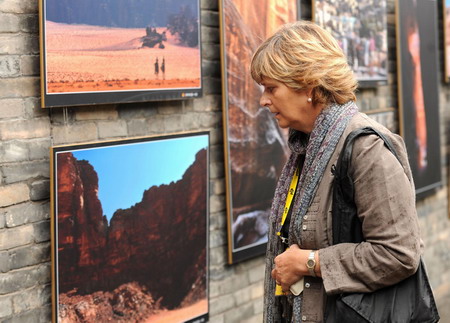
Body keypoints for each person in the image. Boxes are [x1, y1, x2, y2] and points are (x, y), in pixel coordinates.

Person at [250, 21, 422, 322]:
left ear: (306, 84)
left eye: (271, 88)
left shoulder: (365, 148)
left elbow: (399, 253)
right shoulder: (306, 149)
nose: (264, 100)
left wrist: (310, 262)